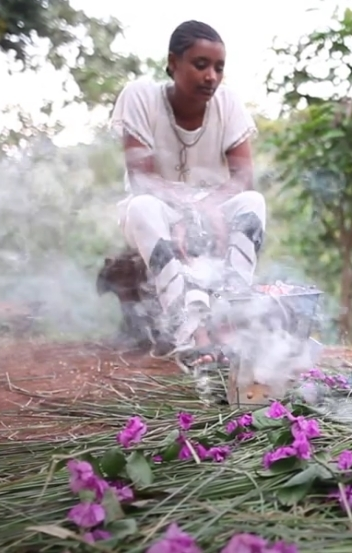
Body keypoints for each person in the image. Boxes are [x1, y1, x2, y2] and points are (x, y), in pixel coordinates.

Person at [109, 20, 266, 368]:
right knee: (142, 207)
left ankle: (229, 320)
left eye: (219, 68)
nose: (211, 76)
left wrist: (207, 206)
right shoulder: (140, 95)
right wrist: (188, 211)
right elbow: (141, 179)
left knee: (253, 203)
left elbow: (244, 178)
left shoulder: (228, 103)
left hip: (213, 210)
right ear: (173, 63)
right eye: (200, 64)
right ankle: (191, 333)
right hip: (158, 214)